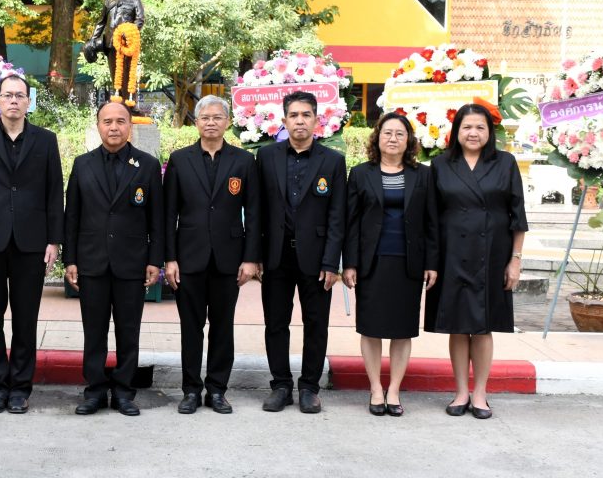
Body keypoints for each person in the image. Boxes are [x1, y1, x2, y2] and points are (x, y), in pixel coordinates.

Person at [0, 74, 63, 414]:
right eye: (8, 95)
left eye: (20, 95)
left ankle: (20, 387)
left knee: (25, 318)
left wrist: (54, 240)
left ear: (28, 102)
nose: (14, 101)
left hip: (31, 242)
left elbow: (53, 194)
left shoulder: (45, 141)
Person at [425, 103, 528, 420]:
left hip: (493, 256)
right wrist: (431, 262)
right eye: (467, 127)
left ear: (489, 131)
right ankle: (460, 392)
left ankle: (480, 394)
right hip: (451, 254)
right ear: (456, 131)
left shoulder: (505, 163)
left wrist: (515, 260)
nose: (473, 133)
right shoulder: (440, 165)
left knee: (483, 328)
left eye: (480, 127)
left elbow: (518, 216)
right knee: (457, 327)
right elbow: (430, 218)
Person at [63, 101, 164, 416]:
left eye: (120, 121)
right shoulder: (83, 165)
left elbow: (156, 218)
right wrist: (71, 260)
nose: (114, 127)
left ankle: (123, 392)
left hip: (131, 263)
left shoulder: (146, 165)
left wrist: (154, 259)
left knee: (128, 330)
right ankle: (94, 391)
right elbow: (72, 217)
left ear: (130, 126)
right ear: (98, 126)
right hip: (92, 262)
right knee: (93, 331)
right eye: (107, 121)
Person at [163, 95, 260, 414]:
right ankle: (191, 390)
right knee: (190, 328)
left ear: (228, 122)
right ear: (196, 122)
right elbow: (169, 214)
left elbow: (254, 213)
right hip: (188, 258)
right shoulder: (180, 160)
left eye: (217, 117)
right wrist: (170, 258)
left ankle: (217, 389)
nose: (211, 122)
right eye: (205, 117)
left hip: (228, 259)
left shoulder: (243, 161)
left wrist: (250, 258)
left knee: (223, 326)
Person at [342, 112, 439, 417]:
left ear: (408, 140)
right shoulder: (360, 174)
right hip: (372, 262)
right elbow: (351, 223)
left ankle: (394, 389)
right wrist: (350, 263)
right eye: (387, 133)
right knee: (370, 328)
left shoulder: (423, 175)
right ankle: (374, 388)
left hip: (409, 263)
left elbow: (431, 222)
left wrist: (432, 262)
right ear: (377, 138)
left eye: (400, 134)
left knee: (402, 330)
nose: (393, 139)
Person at [256, 90, 346, 414]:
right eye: (293, 115)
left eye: (306, 115)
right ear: (284, 120)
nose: (299, 121)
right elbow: (257, 212)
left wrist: (332, 261)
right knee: (275, 323)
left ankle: (310, 387)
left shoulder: (333, 161)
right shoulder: (266, 158)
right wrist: (256, 257)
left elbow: (338, 215)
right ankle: (280, 385)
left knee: (316, 324)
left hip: (317, 258)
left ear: (316, 119)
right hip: (276, 256)